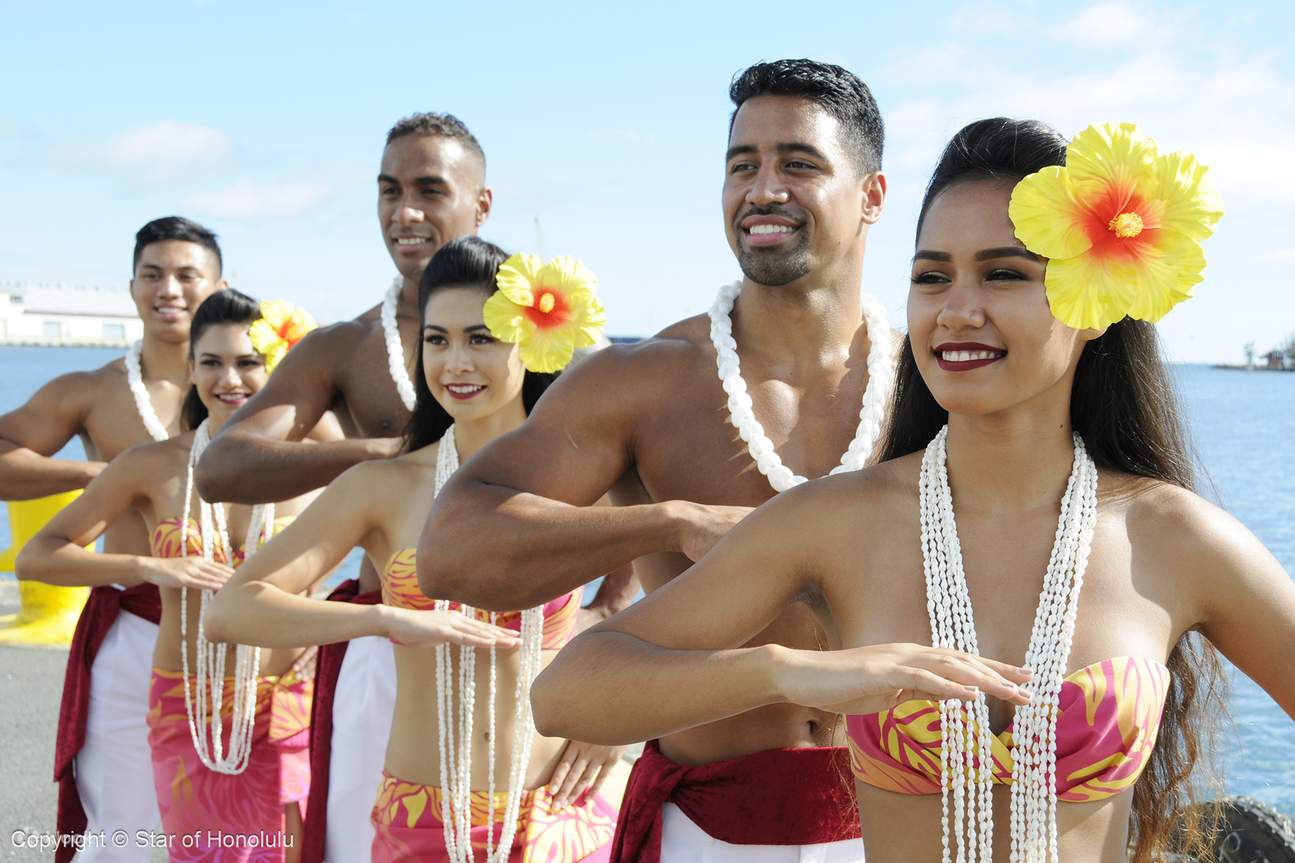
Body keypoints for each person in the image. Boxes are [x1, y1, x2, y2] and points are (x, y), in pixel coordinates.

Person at [532, 119, 1295, 863]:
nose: (955, 309)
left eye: (1003, 273)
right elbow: (566, 691)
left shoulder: (1171, 535)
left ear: (1093, 301)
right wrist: (787, 670)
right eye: (931, 276)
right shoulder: (837, 520)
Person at [421, 59, 898, 862]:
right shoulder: (643, 381)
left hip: (904, 814)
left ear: (872, 196)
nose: (763, 189)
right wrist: (672, 519)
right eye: (741, 164)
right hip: (710, 827)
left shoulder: (930, 382)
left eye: (799, 163)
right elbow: (451, 552)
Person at [207, 237, 629, 862]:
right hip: (424, 816)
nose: (455, 362)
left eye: (481, 338)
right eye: (438, 340)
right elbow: (230, 611)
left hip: (563, 815)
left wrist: (621, 723)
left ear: (530, 340)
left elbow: (690, 599)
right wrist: (382, 619)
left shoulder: (586, 481)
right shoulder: (384, 487)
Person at [19, 289, 338, 862]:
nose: (229, 378)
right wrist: (150, 565)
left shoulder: (323, 460)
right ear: (190, 369)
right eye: (211, 362)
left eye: (248, 361)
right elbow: (39, 555)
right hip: (185, 697)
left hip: (291, 696)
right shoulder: (154, 464)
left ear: (280, 365)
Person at [0, 216, 225, 860]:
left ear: (220, 285)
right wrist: (107, 475)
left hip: (238, 632)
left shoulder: (254, 389)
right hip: (135, 622)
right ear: (131, 288)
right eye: (153, 275)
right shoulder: (95, 391)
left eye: (187, 275)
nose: (170, 290)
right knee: (123, 831)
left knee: (238, 825)